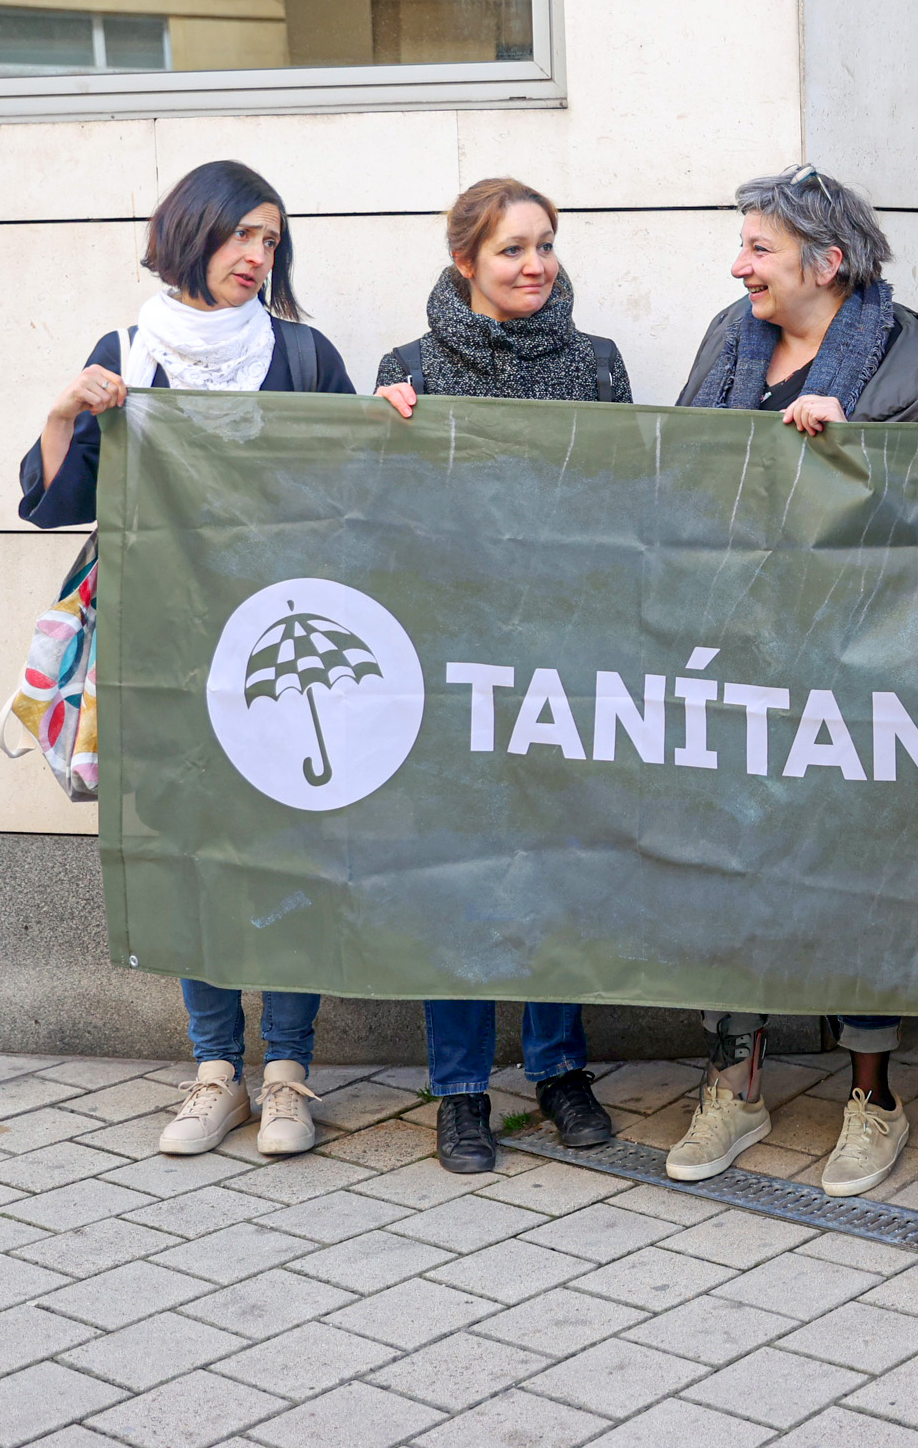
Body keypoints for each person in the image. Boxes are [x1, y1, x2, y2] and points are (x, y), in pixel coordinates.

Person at [19, 159, 358, 1159]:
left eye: (272, 239)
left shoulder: (300, 354)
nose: (258, 255)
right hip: (164, 649)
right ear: (193, 233)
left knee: (286, 849)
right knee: (190, 855)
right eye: (243, 234)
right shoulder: (125, 351)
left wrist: (385, 425)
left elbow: (356, 492)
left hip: (278, 649)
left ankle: (289, 1071)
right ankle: (216, 1070)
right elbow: (58, 500)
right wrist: (66, 412)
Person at [668, 163, 918, 1197]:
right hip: (740, 648)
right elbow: (679, 465)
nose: (738, 265)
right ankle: (736, 1084)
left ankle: (873, 1096)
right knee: (734, 860)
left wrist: (858, 455)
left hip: (862, 654)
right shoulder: (730, 338)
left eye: (758, 247)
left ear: (825, 261)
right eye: (743, 247)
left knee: (860, 867)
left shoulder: (915, 350)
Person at [375, 175, 630, 1174]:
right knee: (462, 876)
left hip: (565, 658)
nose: (534, 266)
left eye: (545, 245)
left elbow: (629, 510)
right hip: (453, 664)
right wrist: (377, 436)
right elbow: (380, 526)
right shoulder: (409, 371)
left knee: (557, 865)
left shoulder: (597, 365)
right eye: (513, 249)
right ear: (465, 263)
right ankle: (460, 1089)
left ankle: (559, 1067)